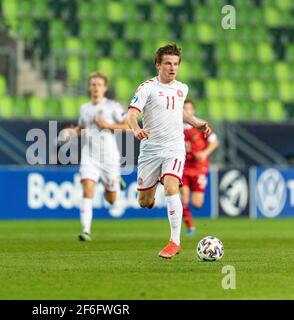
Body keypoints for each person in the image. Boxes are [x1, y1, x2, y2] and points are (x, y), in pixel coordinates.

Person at [127, 44, 211, 259]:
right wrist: (136, 129)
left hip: (174, 147)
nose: (172, 68)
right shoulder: (147, 87)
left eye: (175, 64)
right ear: (158, 65)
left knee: (172, 186)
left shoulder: (182, 88)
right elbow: (132, 112)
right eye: (167, 64)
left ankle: (175, 241)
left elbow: (179, 111)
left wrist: (196, 122)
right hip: (150, 150)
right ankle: (151, 192)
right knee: (144, 202)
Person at [72, 72, 129, 241]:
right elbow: (82, 127)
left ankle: (115, 182)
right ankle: (86, 230)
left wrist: (108, 125)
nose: (96, 87)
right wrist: (72, 132)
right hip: (89, 157)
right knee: (87, 189)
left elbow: (129, 126)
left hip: (109, 158)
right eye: (93, 84)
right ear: (89, 87)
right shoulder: (84, 108)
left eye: (99, 85)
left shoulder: (113, 106)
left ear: (105, 88)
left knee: (111, 199)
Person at [181, 99, 219, 236]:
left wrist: (204, 153)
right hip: (182, 167)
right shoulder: (175, 125)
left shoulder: (199, 124)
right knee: (183, 198)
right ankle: (190, 227)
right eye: (184, 109)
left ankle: (190, 222)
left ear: (193, 111)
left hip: (199, 168)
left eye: (189, 109)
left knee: (197, 204)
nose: (187, 111)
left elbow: (214, 142)